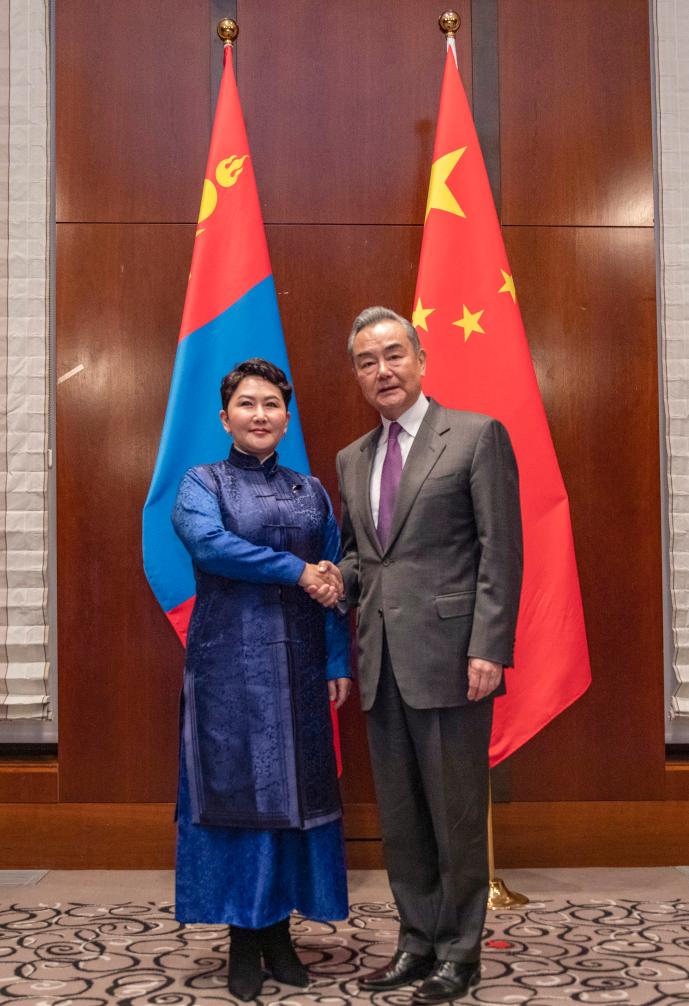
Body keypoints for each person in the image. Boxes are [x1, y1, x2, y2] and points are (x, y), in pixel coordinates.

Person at [325, 306, 522, 1005]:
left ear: (421, 359)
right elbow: (361, 557)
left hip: (452, 660)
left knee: (455, 817)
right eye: (366, 361)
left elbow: (501, 551)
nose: (382, 371)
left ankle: (460, 954)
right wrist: (333, 579)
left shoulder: (474, 436)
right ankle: (415, 941)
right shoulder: (352, 458)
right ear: (356, 375)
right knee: (403, 820)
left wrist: (489, 647)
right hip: (381, 662)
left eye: (393, 355)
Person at [171, 358, 351, 1002]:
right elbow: (210, 546)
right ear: (225, 418)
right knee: (239, 803)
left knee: (294, 804)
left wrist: (336, 660)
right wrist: (295, 570)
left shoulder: (312, 491)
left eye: (271, 404)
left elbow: (334, 578)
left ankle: (279, 935)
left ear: (286, 417)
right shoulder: (202, 482)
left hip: (301, 670)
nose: (259, 414)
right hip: (229, 671)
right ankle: (243, 941)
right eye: (246, 404)